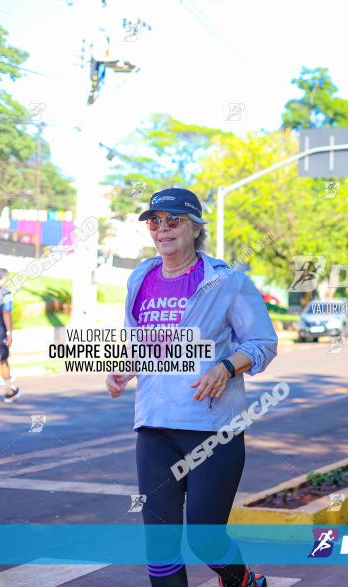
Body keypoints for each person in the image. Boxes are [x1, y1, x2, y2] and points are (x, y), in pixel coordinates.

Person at [105, 188, 278, 587]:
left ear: (195, 227)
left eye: (173, 220)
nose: (162, 229)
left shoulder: (226, 281)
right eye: (154, 221)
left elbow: (263, 344)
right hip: (154, 422)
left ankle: (242, 579)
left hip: (212, 427)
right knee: (161, 540)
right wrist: (125, 369)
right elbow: (145, 343)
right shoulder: (140, 277)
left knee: (204, 537)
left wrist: (226, 367)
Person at [0, 268, 19, 402]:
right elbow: (6, 312)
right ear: (5, 278)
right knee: (2, 362)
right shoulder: (6, 293)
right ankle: (8, 392)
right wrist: (9, 333)